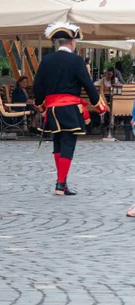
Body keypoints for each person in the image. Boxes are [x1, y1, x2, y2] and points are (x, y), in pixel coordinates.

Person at [34, 22, 107, 196]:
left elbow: (37, 86)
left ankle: (62, 183)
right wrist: (100, 106)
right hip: (69, 109)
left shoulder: (46, 60)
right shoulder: (76, 61)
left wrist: (42, 107)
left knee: (58, 143)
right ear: (72, 42)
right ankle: (60, 184)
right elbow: (88, 85)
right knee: (68, 144)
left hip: (52, 109)